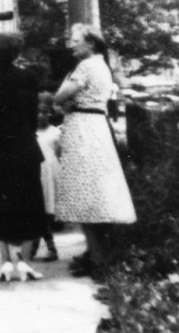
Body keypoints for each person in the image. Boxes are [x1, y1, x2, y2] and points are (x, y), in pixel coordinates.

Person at [53, 24, 136, 277]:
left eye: (76, 40)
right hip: (95, 126)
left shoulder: (86, 66)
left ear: (91, 43)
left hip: (84, 129)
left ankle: (98, 260)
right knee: (94, 191)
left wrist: (65, 96)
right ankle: (96, 254)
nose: (71, 44)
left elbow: (60, 96)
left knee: (85, 191)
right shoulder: (101, 65)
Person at [0, 31, 47, 282]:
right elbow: (32, 117)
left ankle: (5, 261)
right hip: (24, 148)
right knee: (29, 203)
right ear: (17, 52)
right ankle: (24, 262)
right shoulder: (29, 78)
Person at [33, 91, 61, 262]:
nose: (41, 116)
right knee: (37, 210)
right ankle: (42, 245)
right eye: (38, 112)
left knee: (44, 212)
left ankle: (47, 246)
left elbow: (59, 154)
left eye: (45, 112)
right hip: (35, 174)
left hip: (49, 175)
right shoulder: (30, 132)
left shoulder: (55, 133)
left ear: (51, 113)